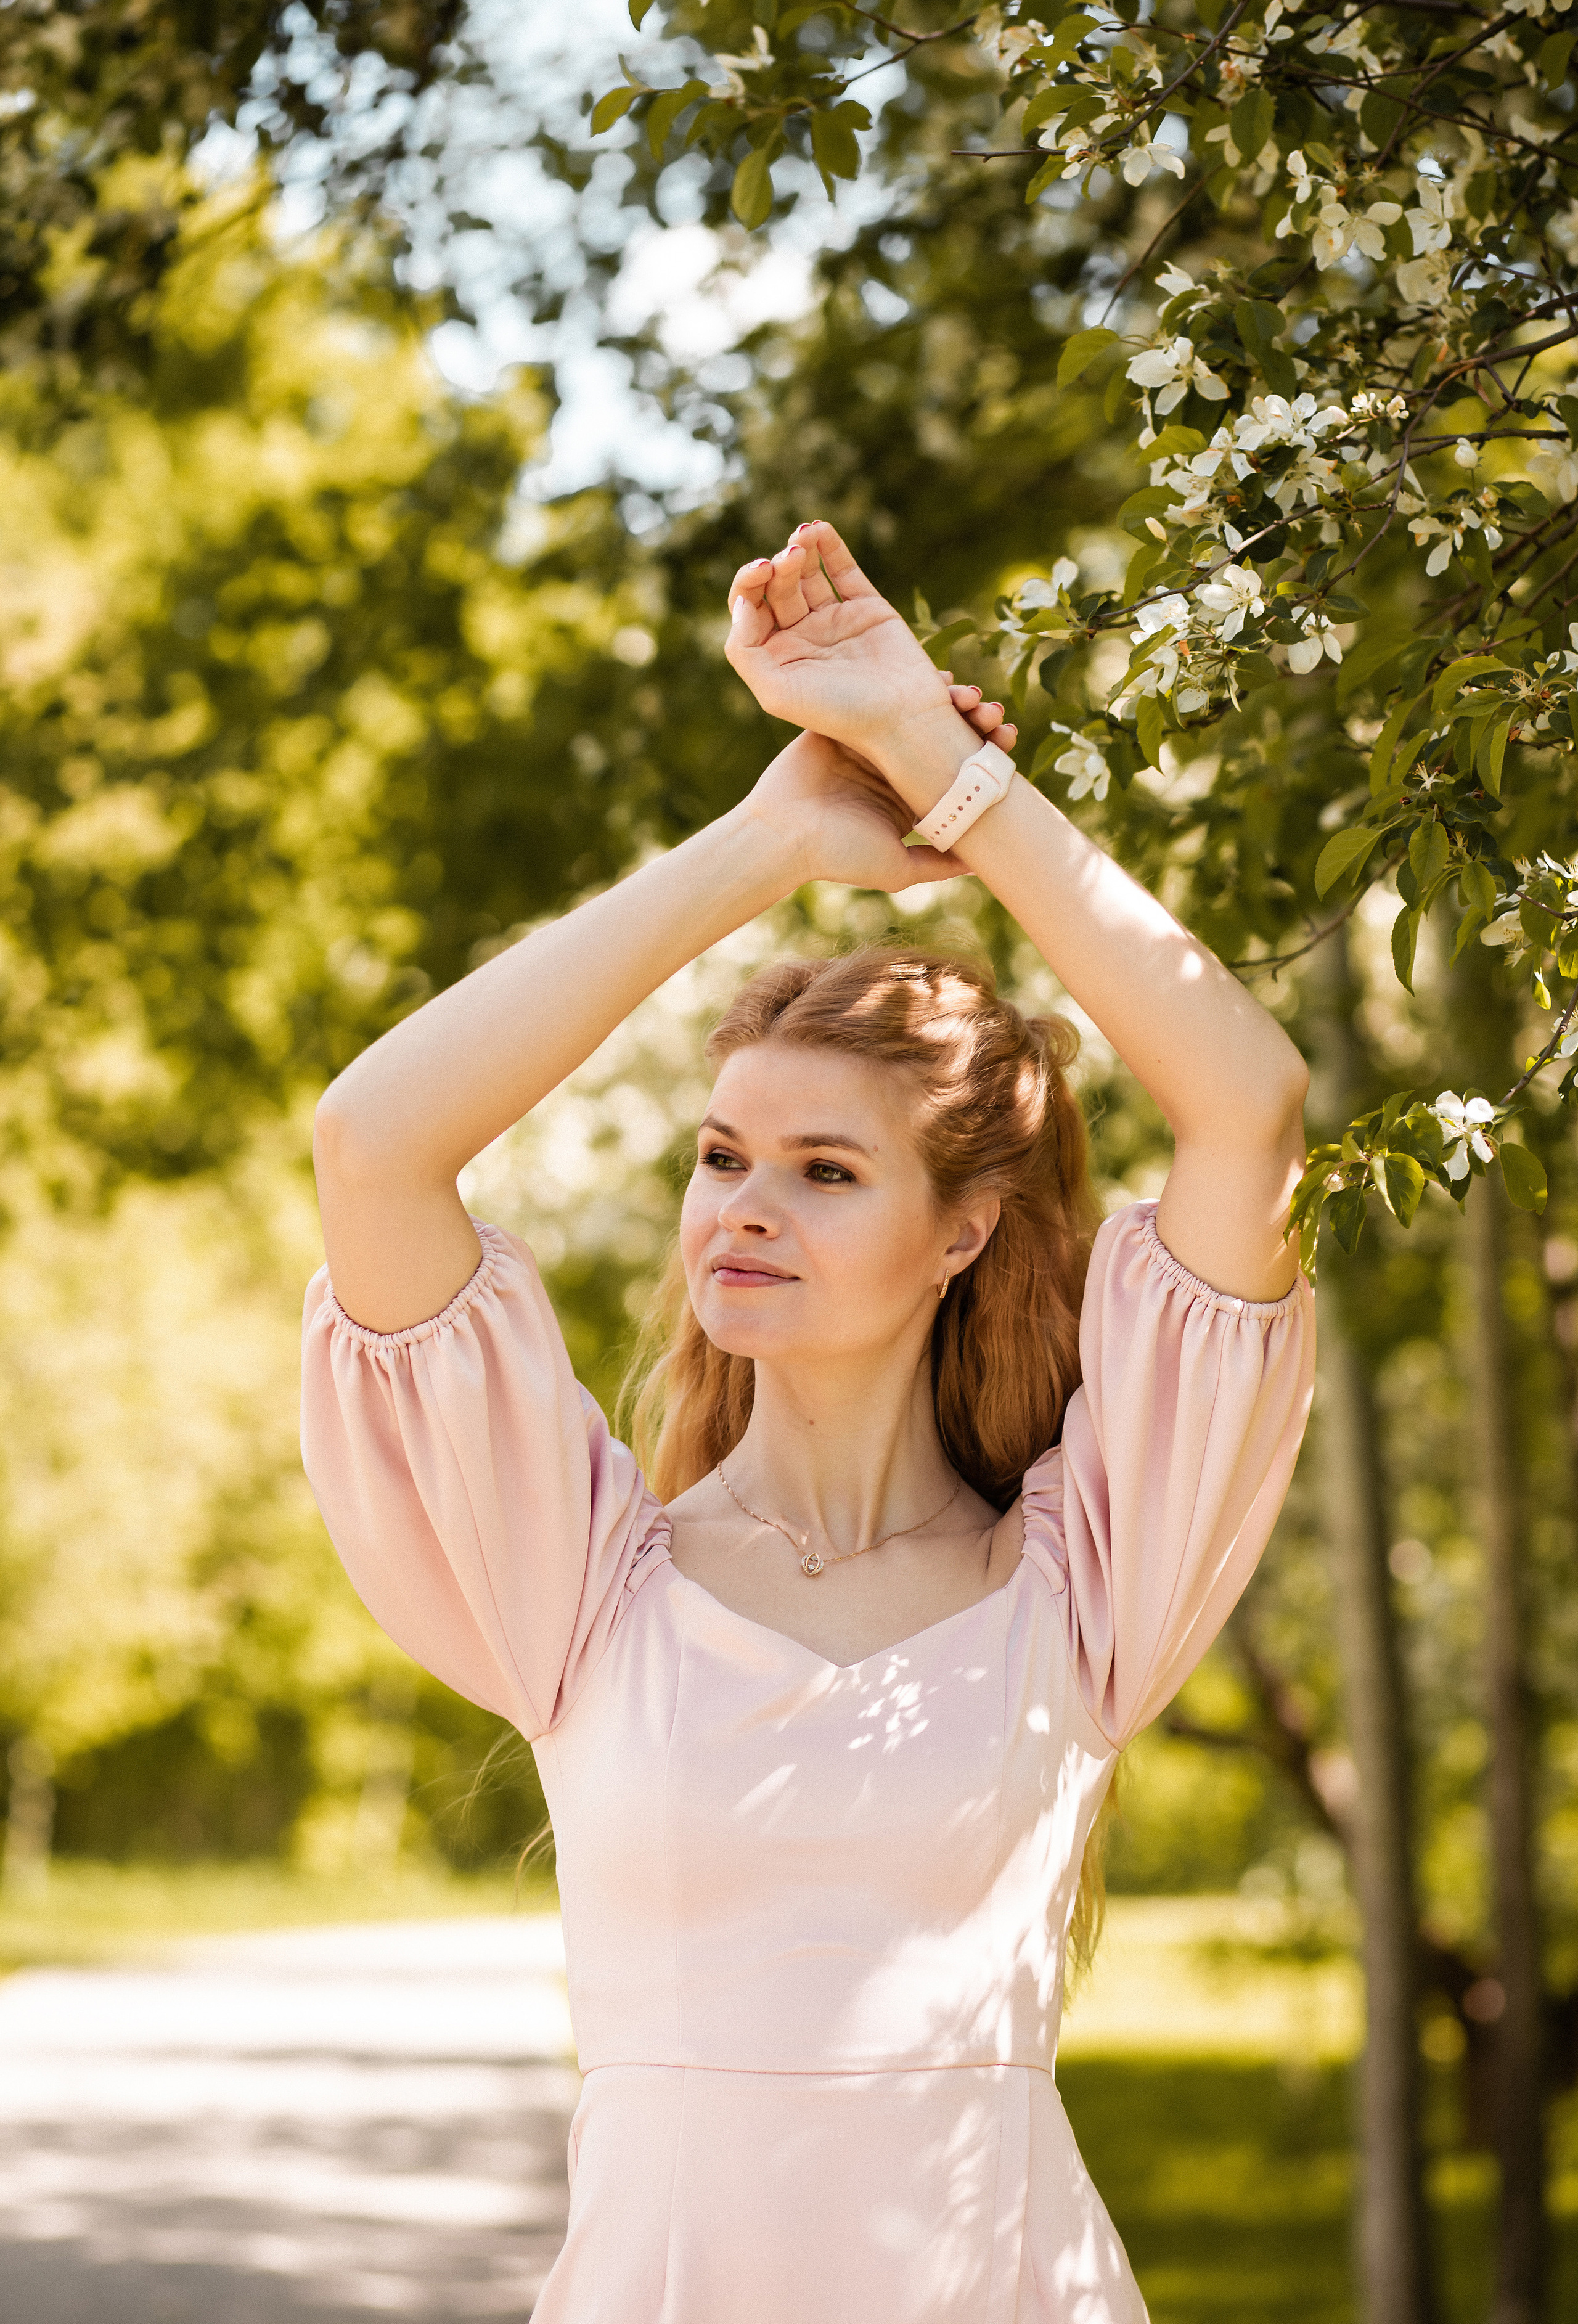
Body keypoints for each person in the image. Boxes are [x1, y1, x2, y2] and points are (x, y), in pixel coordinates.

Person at [302, 520, 1316, 2321]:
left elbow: (1249, 1106)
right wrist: (769, 840)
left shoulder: (1082, 1589)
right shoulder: (586, 1589)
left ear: (963, 1233)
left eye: (826, 1171)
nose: (744, 1212)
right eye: (723, 1157)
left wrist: (945, 768)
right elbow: (372, 1142)